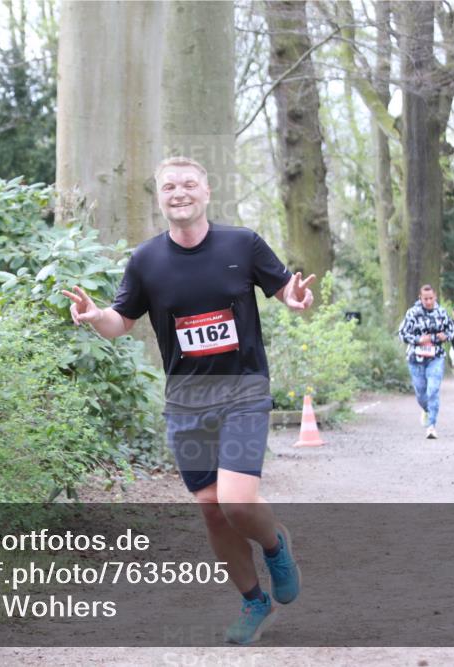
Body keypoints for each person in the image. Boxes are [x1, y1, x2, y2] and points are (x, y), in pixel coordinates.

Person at [62, 157, 308, 645]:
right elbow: (121, 321)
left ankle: (275, 544)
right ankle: (253, 602)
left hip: (242, 391)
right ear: (160, 198)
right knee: (212, 508)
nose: (180, 192)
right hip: (187, 402)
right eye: (170, 186)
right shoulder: (147, 260)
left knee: (237, 501)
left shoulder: (242, 244)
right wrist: (95, 316)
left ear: (207, 192)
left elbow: (284, 289)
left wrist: (294, 298)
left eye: (189, 184)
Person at [398, 284, 454, 439]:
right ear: (420, 298)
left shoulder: (441, 312)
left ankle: (431, 426)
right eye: (425, 299)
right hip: (415, 358)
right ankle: (426, 410)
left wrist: (445, 336)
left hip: (436, 356)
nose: (429, 302)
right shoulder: (412, 313)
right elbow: (402, 333)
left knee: (433, 390)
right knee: (421, 393)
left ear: (435, 297)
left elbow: (452, 330)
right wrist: (418, 339)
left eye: (431, 298)